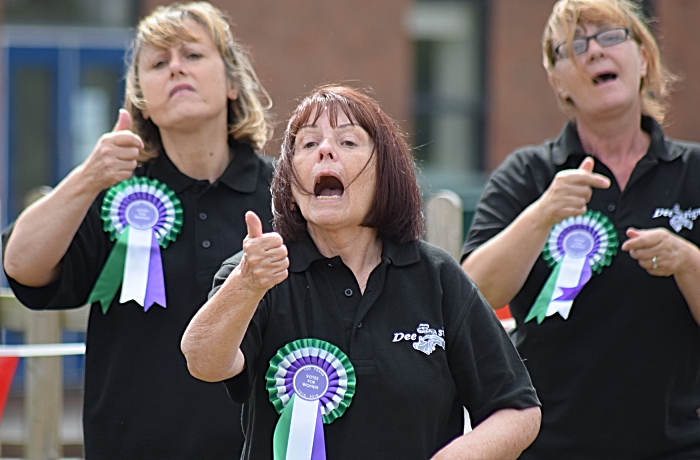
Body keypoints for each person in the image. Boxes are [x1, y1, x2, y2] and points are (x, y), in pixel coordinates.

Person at [181, 85, 541, 460]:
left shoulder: (436, 276)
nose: (324, 150)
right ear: (290, 185)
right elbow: (202, 361)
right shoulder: (260, 271)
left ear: (386, 174)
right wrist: (246, 284)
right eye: (307, 145)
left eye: (348, 142)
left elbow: (518, 410)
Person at [2, 2, 275, 458]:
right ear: (141, 96)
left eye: (192, 55)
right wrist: (89, 175)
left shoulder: (283, 195)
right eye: (158, 63)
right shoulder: (114, 195)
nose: (176, 69)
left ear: (232, 82)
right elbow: (21, 267)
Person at [461, 0, 700, 458]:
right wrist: (542, 214)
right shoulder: (528, 174)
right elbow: (472, 293)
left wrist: (688, 261)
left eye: (611, 37)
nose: (594, 53)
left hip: (677, 447)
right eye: (574, 46)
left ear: (644, 57)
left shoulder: (692, 172)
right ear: (557, 80)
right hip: (552, 447)